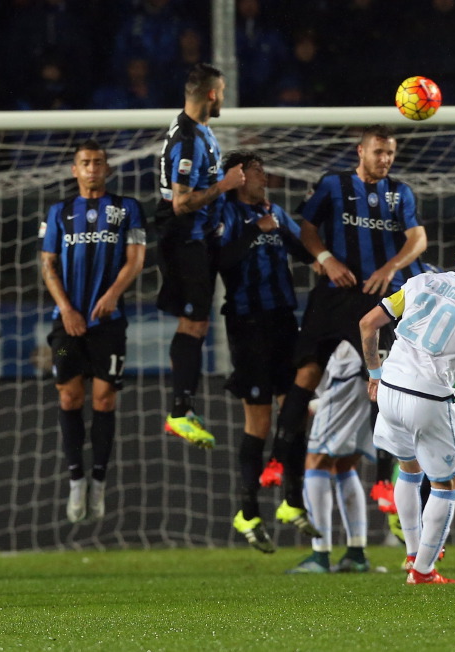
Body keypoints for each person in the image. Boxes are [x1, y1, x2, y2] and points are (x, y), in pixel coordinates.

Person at [264, 124, 428, 533]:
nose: (385, 159)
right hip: (334, 292)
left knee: (386, 383)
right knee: (305, 376)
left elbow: (418, 238)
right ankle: (281, 470)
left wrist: (391, 268)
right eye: (378, 152)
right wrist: (325, 258)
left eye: (390, 153)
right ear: (361, 151)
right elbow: (306, 227)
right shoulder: (333, 185)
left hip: (374, 298)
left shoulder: (399, 192)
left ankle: (385, 484)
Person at [360, 229, 455, 584]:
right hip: (427, 396)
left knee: (408, 470)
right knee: (448, 481)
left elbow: (367, 324)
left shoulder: (419, 282)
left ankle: (413, 553)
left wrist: (375, 374)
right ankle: (424, 570)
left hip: (390, 390)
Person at [40, 139, 147, 524]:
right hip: (67, 327)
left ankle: (99, 479)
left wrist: (114, 295)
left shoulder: (127, 209)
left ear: (108, 169)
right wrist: (67, 309)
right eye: (85, 163)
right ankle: (76, 479)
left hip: (108, 325)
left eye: (98, 163)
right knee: (69, 397)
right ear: (74, 170)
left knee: (103, 400)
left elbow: (136, 259)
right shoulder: (59, 212)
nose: (91, 169)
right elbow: (48, 264)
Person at [215, 150, 317, 552]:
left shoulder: (274, 210)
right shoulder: (224, 212)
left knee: (294, 408)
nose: (264, 177)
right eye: (257, 172)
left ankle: (293, 500)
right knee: (258, 421)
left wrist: (308, 219)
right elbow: (220, 260)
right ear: (238, 177)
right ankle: (248, 511)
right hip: (246, 323)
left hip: (281, 321)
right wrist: (255, 230)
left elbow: (304, 252)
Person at [155, 63, 246, 449]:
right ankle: (178, 412)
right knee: (192, 323)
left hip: (199, 241)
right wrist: (225, 185)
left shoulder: (199, 132)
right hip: (185, 241)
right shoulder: (189, 140)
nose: (223, 97)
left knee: (198, 323)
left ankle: (184, 408)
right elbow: (180, 203)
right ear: (211, 94)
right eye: (222, 91)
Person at [288, 340, 377, 573]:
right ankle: (356, 552)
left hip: (347, 374)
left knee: (317, 460)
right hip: (369, 374)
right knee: (344, 463)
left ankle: (320, 555)